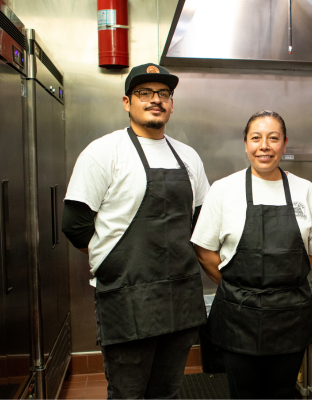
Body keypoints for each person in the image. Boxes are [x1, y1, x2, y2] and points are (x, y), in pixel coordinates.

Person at [62, 63, 210, 399]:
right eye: (145, 93)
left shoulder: (189, 157)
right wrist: (117, 261)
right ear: (127, 102)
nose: (155, 100)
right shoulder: (104, 152)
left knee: (167, 392)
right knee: (128, 394)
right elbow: (74, 224)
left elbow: (202, 221)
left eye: (163, 94)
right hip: (128, 298)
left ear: (171, 104)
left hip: (180, 297)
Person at [191, 110, 312, 399]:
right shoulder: (223, 190)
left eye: (273, 138)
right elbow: (204, 251)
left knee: (282, 393)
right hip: (238, 315)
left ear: (284, 144)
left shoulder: (304, 190)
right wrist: (239, 285)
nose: (264, 146)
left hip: (289, 316)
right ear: (246, 143)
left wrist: (281, 280)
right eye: (256, 138)